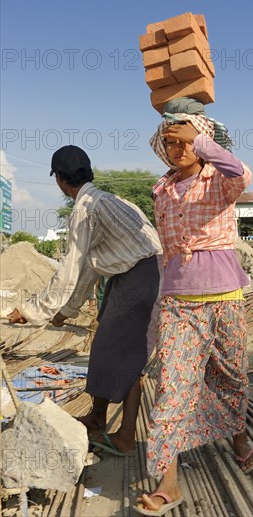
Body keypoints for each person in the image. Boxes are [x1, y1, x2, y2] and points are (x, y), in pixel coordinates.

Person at [134, 105, 253, 516]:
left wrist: (198, 136)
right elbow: (167, 250)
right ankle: (168, 481)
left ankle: (238, 436)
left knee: (230, 375)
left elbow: (243, 173)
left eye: (185, 141)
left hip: (224, 297)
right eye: (170, 142)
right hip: (178, 302)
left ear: (201, 144)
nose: (178, 148)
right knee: (173, 386)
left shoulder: (220, 181)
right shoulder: (161, 191)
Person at [8, 145, 162, 455]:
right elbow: (92, 265)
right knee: (105, 345)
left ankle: (126, 437)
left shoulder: (85, 208)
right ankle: (96, 417)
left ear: (60, 181)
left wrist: (30, 310)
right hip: (140, 274)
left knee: (130, 356)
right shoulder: (109, 201)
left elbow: (70, 269)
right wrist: (65, 310)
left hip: (141, 278)